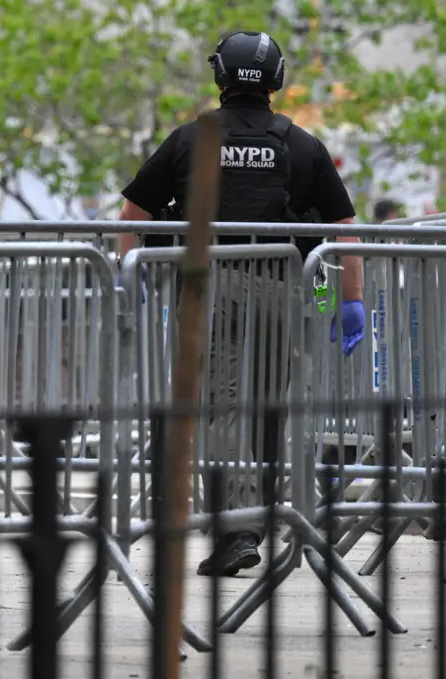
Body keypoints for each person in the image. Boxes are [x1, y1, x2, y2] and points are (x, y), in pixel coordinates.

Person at [118, 30, 365, 577]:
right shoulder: (302, 145)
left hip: (210, 291)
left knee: (221, 409)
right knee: (266, 409)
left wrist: (129, 277)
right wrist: (351, 300)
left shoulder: (189, 140)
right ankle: (254, 521)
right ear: (277, 80)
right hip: (282, 291)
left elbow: (132, 218)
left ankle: (237, 531)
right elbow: (346, 233)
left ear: (220, 78)